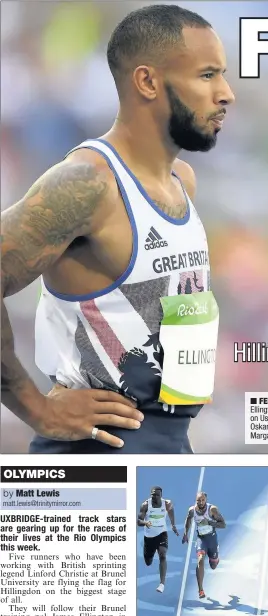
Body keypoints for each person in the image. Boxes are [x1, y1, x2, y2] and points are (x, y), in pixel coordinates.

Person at [0, 4, 235, 454]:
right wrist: (37, 409)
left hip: (169, 445)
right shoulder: (87, 184)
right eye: (207, 76)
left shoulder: (182, 181)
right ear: (147, 81)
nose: (226, 93)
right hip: (94, 460)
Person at [182, 491, 226, 598]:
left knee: (213, 566)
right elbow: (188, 521)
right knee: (200, 560)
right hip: (201, 539)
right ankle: (201, 589)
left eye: (202, 500)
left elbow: (223, 524)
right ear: (195, 500)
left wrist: (210, 522)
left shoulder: (212, 510)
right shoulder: (192, 510)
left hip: (212, 539)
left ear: (206, 500)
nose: (201, 502)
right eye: (198, 500)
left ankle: (215, 559)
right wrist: (185, 534)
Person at [137, 486, 179, 593]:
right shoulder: (145, 505)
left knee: (163, 555)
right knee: (148, 561)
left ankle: (162, 584)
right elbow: (138, 521)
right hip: (149, 537)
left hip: (161, 533)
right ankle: (149, 556)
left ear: (161, 495)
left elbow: (171, 511)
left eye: (157, 495)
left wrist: (173, 525)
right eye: (153, 495)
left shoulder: (166, 504)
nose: (154, 496)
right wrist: (145, 522)